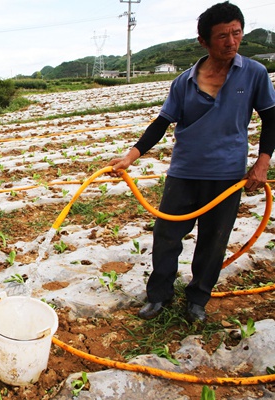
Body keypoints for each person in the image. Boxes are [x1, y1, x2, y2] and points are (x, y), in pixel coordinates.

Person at [108, 1, 275, 323]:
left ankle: (197, 299)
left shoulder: (253, 73)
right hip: (184, 172)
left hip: (227, 175)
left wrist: (262, 162)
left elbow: (271, 119)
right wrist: (131, 155)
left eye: (236, 33)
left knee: (214, 241)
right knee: (167, 235)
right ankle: (158, 297)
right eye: (222, 36)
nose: (231, 42)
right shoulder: (184, 81)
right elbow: (161, 122)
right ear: (204, 41)